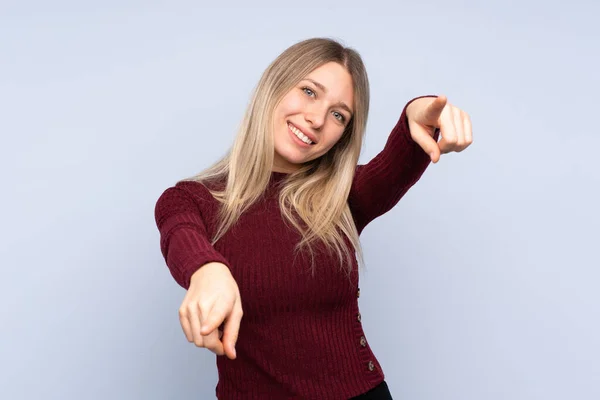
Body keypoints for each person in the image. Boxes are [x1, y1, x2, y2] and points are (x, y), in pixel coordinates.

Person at [154, 37, 472, 400]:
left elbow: (395, 163)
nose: (317, 119)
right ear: (273, 86)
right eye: (308, 91)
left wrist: (418, 112)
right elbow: (180, 233)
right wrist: (207, 270)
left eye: (339, 115)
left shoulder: (340, 198)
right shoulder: (192, 199)